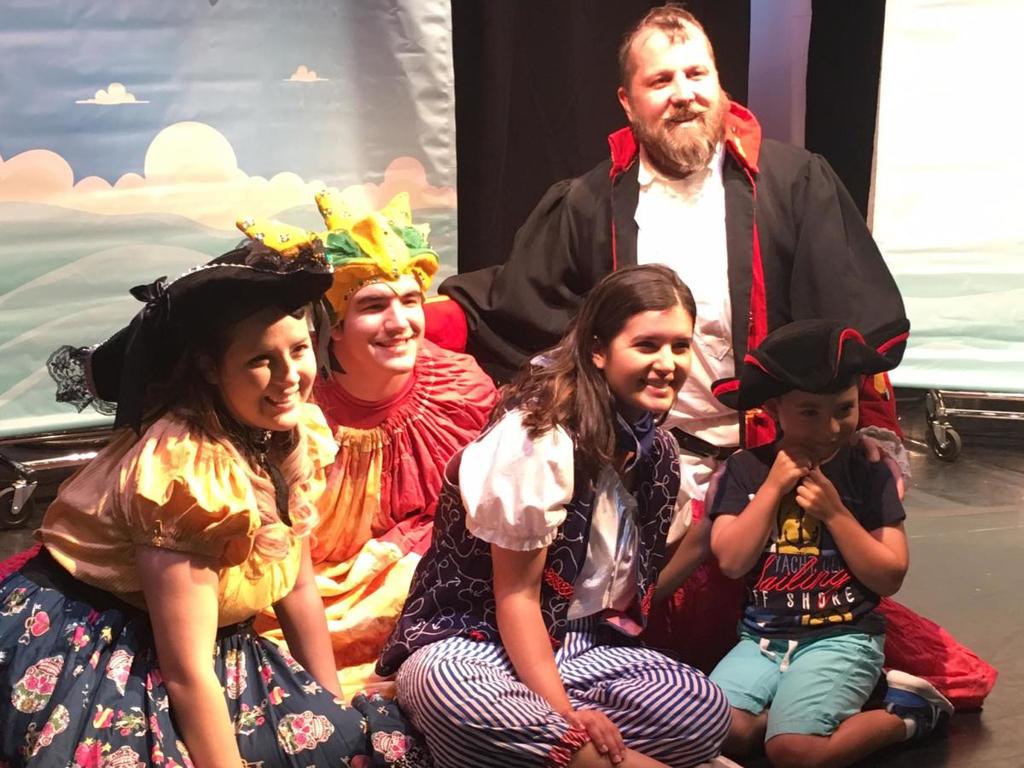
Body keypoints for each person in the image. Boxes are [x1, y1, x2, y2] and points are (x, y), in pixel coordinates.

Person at [422, 3, 998, 709]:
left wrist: (865, 437)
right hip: (648, 473)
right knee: (652, 650)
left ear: (721, 84)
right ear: (628, 101)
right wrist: (424, 316)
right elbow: (518, 301)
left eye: (697, 74)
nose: (683, 93)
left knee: (802, 630)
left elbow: (847, 332)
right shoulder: (592, 201)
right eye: (660, 80)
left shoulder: (792, 184)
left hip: (769, 461)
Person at [1, 242, 427, 767]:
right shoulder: (186, 472)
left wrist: (334, 705)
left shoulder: (294, 432)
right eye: (260, 361)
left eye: (298, 350)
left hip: (214, 641)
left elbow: (297, 589)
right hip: (106, 640)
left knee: (339, 743)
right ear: (210, 368)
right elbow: (185, 671)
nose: (290, 378)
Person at [378, 265, 731, 768]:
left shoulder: (658, 454)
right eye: (647, 345)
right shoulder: (539, 436)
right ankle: (579, 749)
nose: (667, 363)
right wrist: (565, 714)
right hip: (477, 640)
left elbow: (633, 591)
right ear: (598, 349)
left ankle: (533, 747)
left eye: (680, 346)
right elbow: (516, 597)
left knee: (702, 710)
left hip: (580, 647)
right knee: (449, 688)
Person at [237, 191, 497, 699]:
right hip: (306, 584)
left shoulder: (460, 390)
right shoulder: (293, 406)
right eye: (374, 305)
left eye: (411, 300)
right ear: (332, 325)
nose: (400, 323)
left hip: (421, 579)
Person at [706, 319, 953, 767]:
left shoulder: (869, 470)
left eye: (844, 409)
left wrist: (836, 514)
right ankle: (790, 714)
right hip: (760, 641)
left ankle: (909, 712)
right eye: (810, 412)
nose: (831, 427)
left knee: (794, 751)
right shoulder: (745, 470)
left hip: (842, 638)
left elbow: (889, 575)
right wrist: (772, 489)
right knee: (713, 728)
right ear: (775, 408)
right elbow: (732, 562)